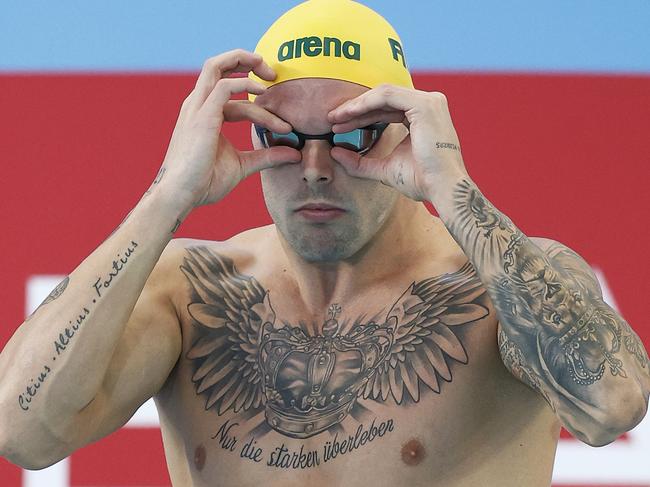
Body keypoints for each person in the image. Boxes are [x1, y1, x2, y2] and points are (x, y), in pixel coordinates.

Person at [1, 0, 648, 485]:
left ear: (403, 132)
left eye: (349, 136)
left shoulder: (499, 285)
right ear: (251, 134)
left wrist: (454, 193)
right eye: (284, 135)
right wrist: (168, 194)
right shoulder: (190, 292)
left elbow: (610, 405)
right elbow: (22, 430)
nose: (314, 167)